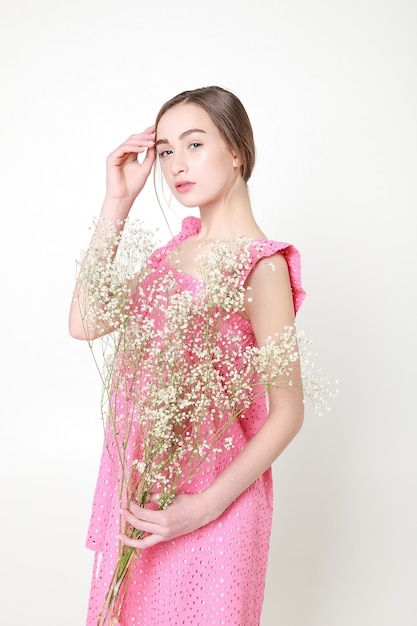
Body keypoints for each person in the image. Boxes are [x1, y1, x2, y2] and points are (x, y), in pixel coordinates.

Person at [69, 86, 306, 625]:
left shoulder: (261, 265)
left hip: (216, 508)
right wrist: (117, 203)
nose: (176, 165)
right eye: (168, 150)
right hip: (146, 498)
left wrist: (204, 507)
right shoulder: (172, 251)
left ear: (237, 150)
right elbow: (84, 320)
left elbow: (288, 411)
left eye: (194, 144)